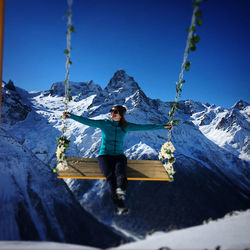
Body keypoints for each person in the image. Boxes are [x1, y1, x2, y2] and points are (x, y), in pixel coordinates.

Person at [63, 105, 172, 215]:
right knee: (110, 177)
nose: (112, 113)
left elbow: (144, 127)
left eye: (115, 111)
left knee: (122, 176)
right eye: (111, 111)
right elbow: (87, 121)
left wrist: (163, 126)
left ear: (121, 114)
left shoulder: (125, 126)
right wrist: (71, 116)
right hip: (104, 156)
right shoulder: (104, 123)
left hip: (119, 156)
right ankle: (119, 205)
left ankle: (119, 193)